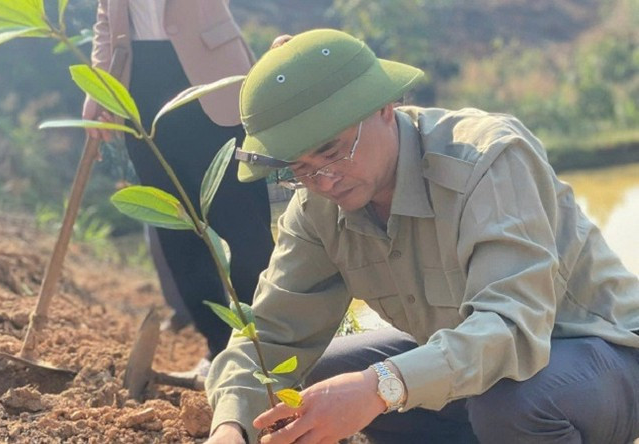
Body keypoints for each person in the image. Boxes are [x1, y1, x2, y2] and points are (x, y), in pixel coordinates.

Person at [205, 29, 639, 444]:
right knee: (327, 380)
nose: (323, 180)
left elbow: (512, 328)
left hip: (598, 354)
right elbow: (273, 332)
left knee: (513, 404)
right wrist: (230, 426)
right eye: (298, 168)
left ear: (383, 107)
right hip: (482, 376)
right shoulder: (317, 207)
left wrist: (381, 386)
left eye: (332, 151)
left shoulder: (487, 160)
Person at [82, 0, 275, 364]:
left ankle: (270, 344)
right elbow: (107, 18)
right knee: (175, 227)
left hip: (211, 76)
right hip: (138, 85)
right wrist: (98, 86)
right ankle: (218, 347)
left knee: (243, 223)